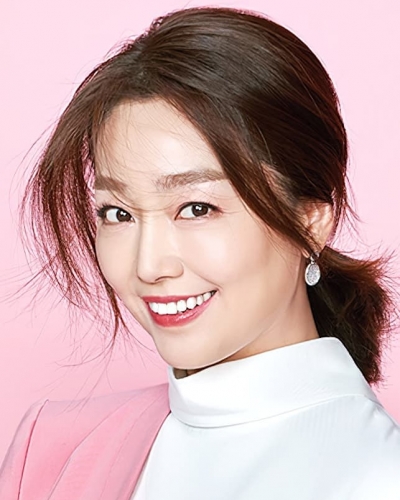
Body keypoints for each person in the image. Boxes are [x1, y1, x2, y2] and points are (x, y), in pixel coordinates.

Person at [0, 5, 399, 499]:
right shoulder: (51, 450)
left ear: (308, 222)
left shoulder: (378, 476)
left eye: (196, 208)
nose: (149, 266)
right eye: (118, 213)